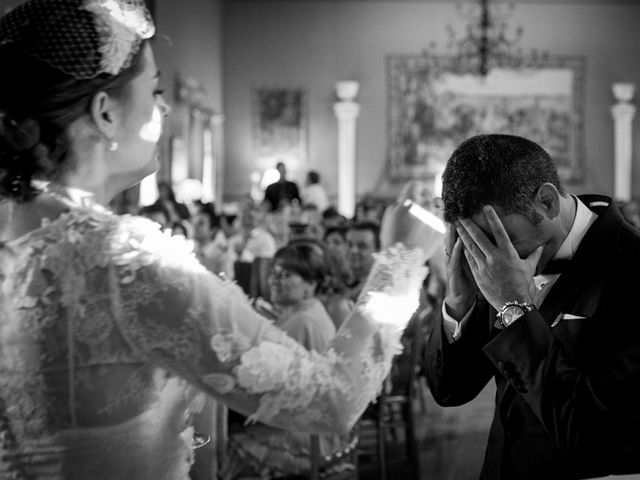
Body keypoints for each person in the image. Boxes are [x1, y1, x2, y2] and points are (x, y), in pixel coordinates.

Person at [0, 2, 432, 478]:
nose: (163, 107)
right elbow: (330, 399)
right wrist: (401, 262)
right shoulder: (124, 262)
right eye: (155, 90)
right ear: (105, 112)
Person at [424, 133, 640, 479]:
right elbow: (450, 391)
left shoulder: (630, 268)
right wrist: (458, 303)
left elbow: (595, 438)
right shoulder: (492, 261)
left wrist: (515, 308)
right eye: (478, 242)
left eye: (505, 239)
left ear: (547, 202)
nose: (496, 257)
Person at [345, 221, 380, 301]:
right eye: (350, 244)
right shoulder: (339, 283)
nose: (353, 250)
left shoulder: (381, 290)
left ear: (378, 251)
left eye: (362, 246)